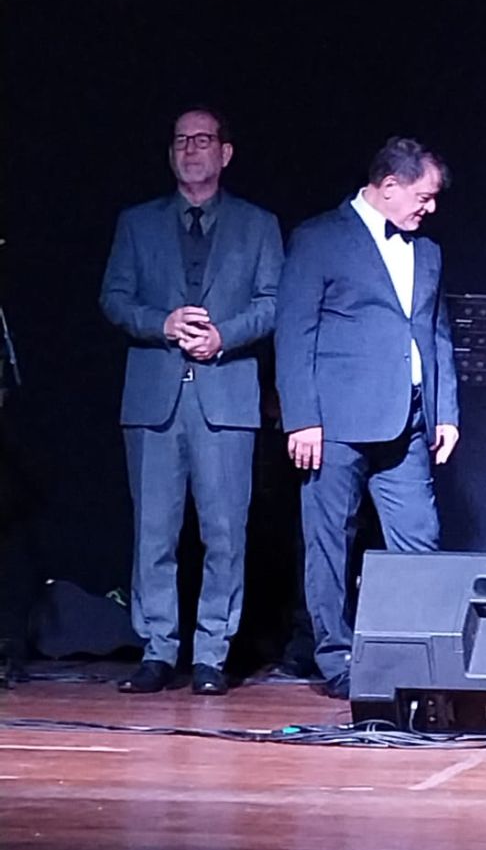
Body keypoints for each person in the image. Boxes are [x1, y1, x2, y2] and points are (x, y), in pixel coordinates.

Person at [99, 107, 283, 695]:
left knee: (225, 534)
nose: (190, 149)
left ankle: (210, 654)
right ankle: (157, 649)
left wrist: (223, 336)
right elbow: (114, 298)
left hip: (225, 398)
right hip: (154, 399)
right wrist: (163, 323)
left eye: (202, 140)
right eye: (181, 140)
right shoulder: (137, 223)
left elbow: (274, 302)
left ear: (225, 153)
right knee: (153, 533)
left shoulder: (258, 225)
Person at [275, 137, 460, 699]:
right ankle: (336, 659)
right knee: (330, 542)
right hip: (335, 423)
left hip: (409, 421)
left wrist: (446, 411)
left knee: (418, 539)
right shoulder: (319, 238)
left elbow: (436, 333)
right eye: (423, 197)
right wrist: (301, 419)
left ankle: (413, 654)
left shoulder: (428, 252)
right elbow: (294, 333)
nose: (430, 208)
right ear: (389, 186)